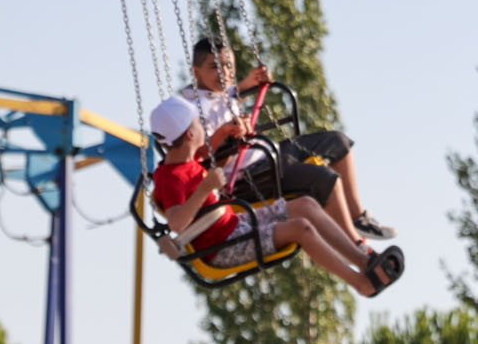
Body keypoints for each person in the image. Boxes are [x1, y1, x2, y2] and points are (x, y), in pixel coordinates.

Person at [146, 74, 402, 295]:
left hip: (235, 225)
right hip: (222, 248)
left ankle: (365, 261)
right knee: (301, 228)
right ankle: (361, 284)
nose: (204, 129)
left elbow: (207, 151)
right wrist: (205, 188)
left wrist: (226, 131)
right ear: (191, 134)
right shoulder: (171, 177)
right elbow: (176, 223)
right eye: (199, 124)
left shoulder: (190, 160)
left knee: (305, 205)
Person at [166, 36, 393, 242]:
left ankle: (358, 217)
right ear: (196, 72)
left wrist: (251, 82)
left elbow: (229, 96)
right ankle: (355, 245)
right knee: (325, 178)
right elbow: (199, 158)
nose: (224, 73)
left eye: (228, 66)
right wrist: (225, 133)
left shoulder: (219, 92)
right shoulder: (191, 111)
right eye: (215, 67)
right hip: (247, 176)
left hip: (268, 155)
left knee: (338, 142)